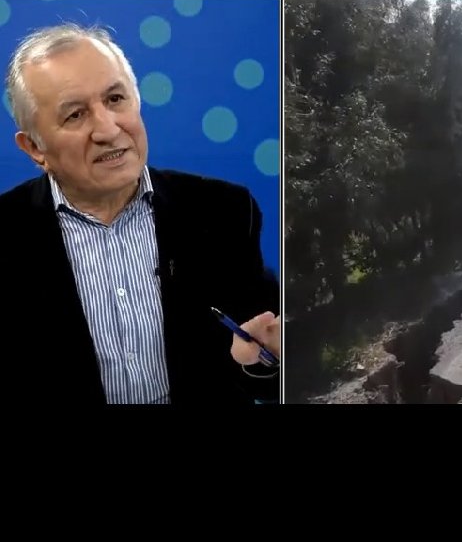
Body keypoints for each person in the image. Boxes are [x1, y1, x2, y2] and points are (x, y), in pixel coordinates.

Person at [0, 22, 281, 404]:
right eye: (75, 115)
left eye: (116, 99)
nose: (108, 128)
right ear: (34, 148)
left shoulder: (224, 212)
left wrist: (266, 360)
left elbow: (261, 375)